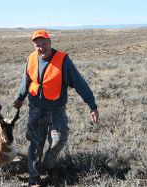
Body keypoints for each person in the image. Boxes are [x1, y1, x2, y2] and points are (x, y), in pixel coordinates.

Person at [13, 29, 99, 186]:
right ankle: (34, 180)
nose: (41, 48)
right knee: (35, 144)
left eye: (44, 43)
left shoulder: (63, 60)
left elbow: (79, 83)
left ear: (50, 42)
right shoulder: (31, 58)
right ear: (34, 46)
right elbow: (26, 81)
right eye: (37, 45)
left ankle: (48, 163)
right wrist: (20, 98)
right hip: (36, 109)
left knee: (58, 141)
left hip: (56, 110)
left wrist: (92, 105)